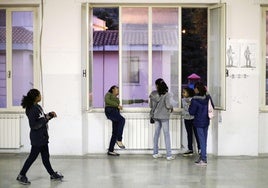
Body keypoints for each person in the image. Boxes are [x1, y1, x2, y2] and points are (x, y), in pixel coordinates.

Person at [16, 89, 63, 185]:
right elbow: (34, 125)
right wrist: (46, 118)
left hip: (43, 137)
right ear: (36, 97)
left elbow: (42, 118)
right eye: (39, 95)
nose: (41, 96)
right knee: (32, 157)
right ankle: (21, 175)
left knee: (46, 157)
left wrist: (50, 115)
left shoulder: (37, 106)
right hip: (37, 138)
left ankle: (52, 174)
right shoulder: (31, 109)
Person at [189, 82, 214, 166]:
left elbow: (191, 112)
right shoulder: (208, 97)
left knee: (201, 140)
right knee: (204, 140)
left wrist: (190, 105)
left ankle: (203, 159)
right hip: (206, 121)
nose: (194, 89)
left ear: (197, 89)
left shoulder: (194, 100)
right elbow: (212, 107)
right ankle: (203, 157)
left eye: (195, 88)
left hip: (198, 122)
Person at [149, 78, 175, 160]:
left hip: (156, 116)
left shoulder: (153, 94)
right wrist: (171, 107)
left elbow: (151, 106)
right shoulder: (167, 94)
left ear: (156, 85)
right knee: (166, 135)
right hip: (164, 116)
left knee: (156, 134)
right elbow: (168, 105)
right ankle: (169, 155)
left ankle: (155, 153)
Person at [104, 85, 125, 156]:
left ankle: (110, 150)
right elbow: (107, 101)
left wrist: (142, 100)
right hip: (110, 111)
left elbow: (117, 105)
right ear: (112, 89)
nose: (118, 91)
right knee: (122, 120)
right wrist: (117, 105)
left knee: (115, 132)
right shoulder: (108, 94)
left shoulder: (116, 98)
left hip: (115, 112)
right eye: (117, 89)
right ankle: (119, 139)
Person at [182, 87, 200, 156]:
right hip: (186, 119)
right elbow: (186, 108)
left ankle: (200, 149)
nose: (183, 94)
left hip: (194, 118)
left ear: (189, 93)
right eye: (183, 92)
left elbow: (193, 109)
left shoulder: (194, 100)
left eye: (184, 92)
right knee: (189, 134)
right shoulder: (183, 100)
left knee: (196, 134)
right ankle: (190, 149)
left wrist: (190, 104)